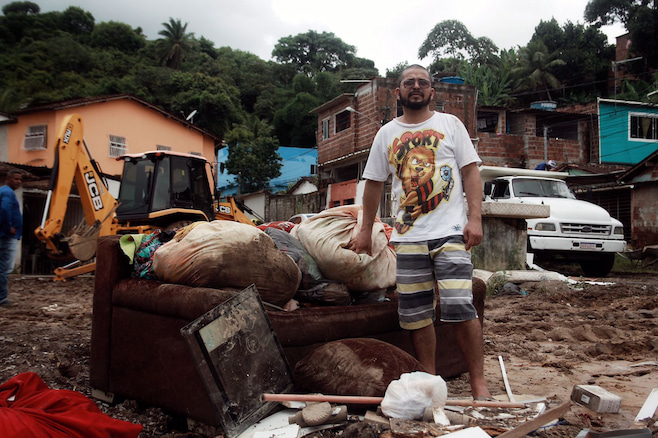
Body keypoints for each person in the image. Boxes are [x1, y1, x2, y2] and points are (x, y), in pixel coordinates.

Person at [348, 65, 491, 399]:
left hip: (451, 232)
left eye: (422, 83)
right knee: (415, 314)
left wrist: (476, 219)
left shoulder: (450, 125)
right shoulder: (386, 133)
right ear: (397, 93)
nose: (416, 86)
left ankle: (479, 383)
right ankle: (430, 380)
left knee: (460, 306)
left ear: (432, 92)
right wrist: (365, 229)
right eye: (408, 82)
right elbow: (373, 184)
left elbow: (471, 174)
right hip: (407, 237)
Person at [0, 169, 23, 306]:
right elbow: (4, 209)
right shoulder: (8, 193)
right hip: (7, 236)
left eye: (20, 179)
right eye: (16, 179)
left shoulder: (3, 191)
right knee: (5, 268)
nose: (18, 182)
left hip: (4, 234)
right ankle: (2, 298)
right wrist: (9, 227)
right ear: (8, 179)